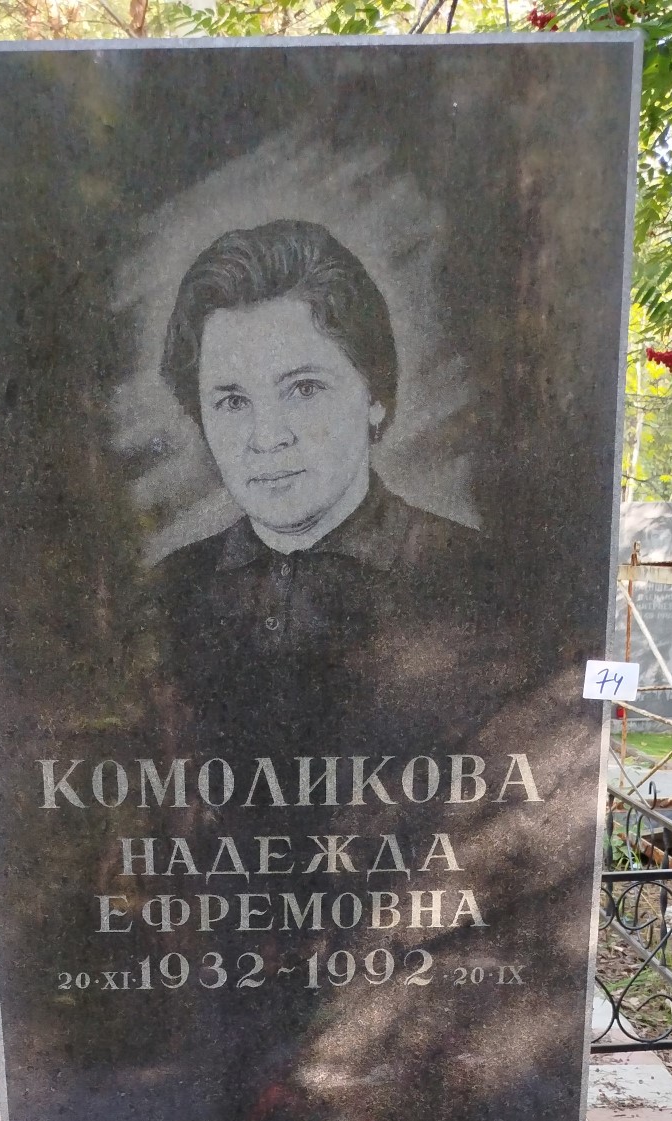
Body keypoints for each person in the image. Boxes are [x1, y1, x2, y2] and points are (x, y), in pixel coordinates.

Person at [148, 219, 489, 743]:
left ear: (375, 395)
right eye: (233, 401)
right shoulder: (159, 599)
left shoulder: (478, 581)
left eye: (304, 389)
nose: (267, 438)